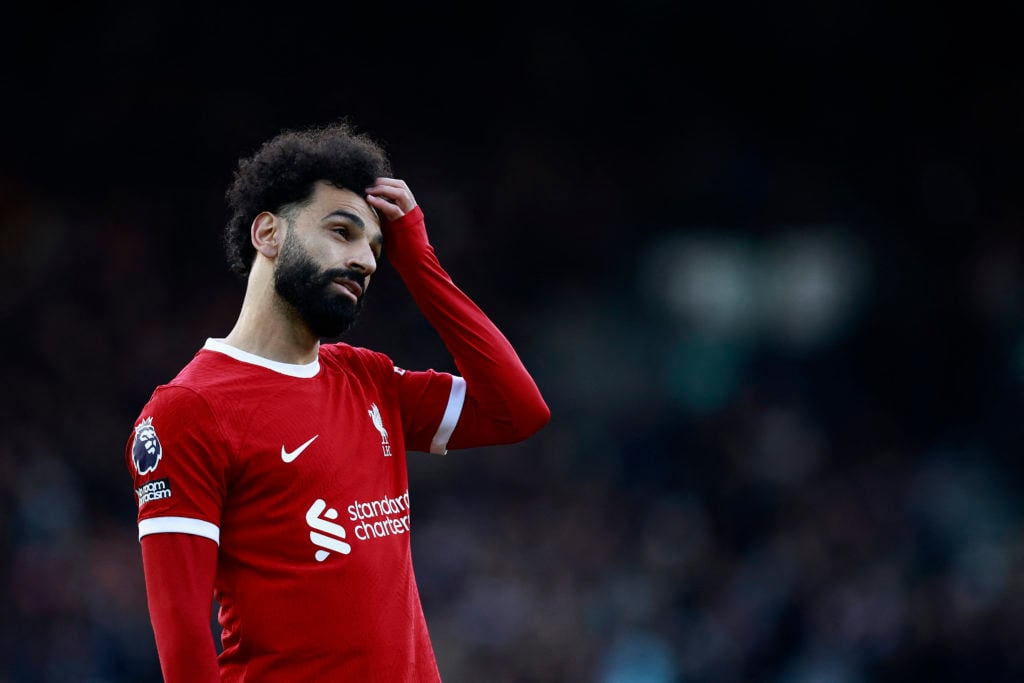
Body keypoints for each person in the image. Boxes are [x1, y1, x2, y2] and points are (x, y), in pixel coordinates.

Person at [124, 121, 551, 682]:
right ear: (268, 234)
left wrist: (419, 261)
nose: (368, 261)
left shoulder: (368, 379)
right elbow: (183, 643)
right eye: (342, 231)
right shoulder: (187, 411)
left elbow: (517, 410)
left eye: (376, 247)